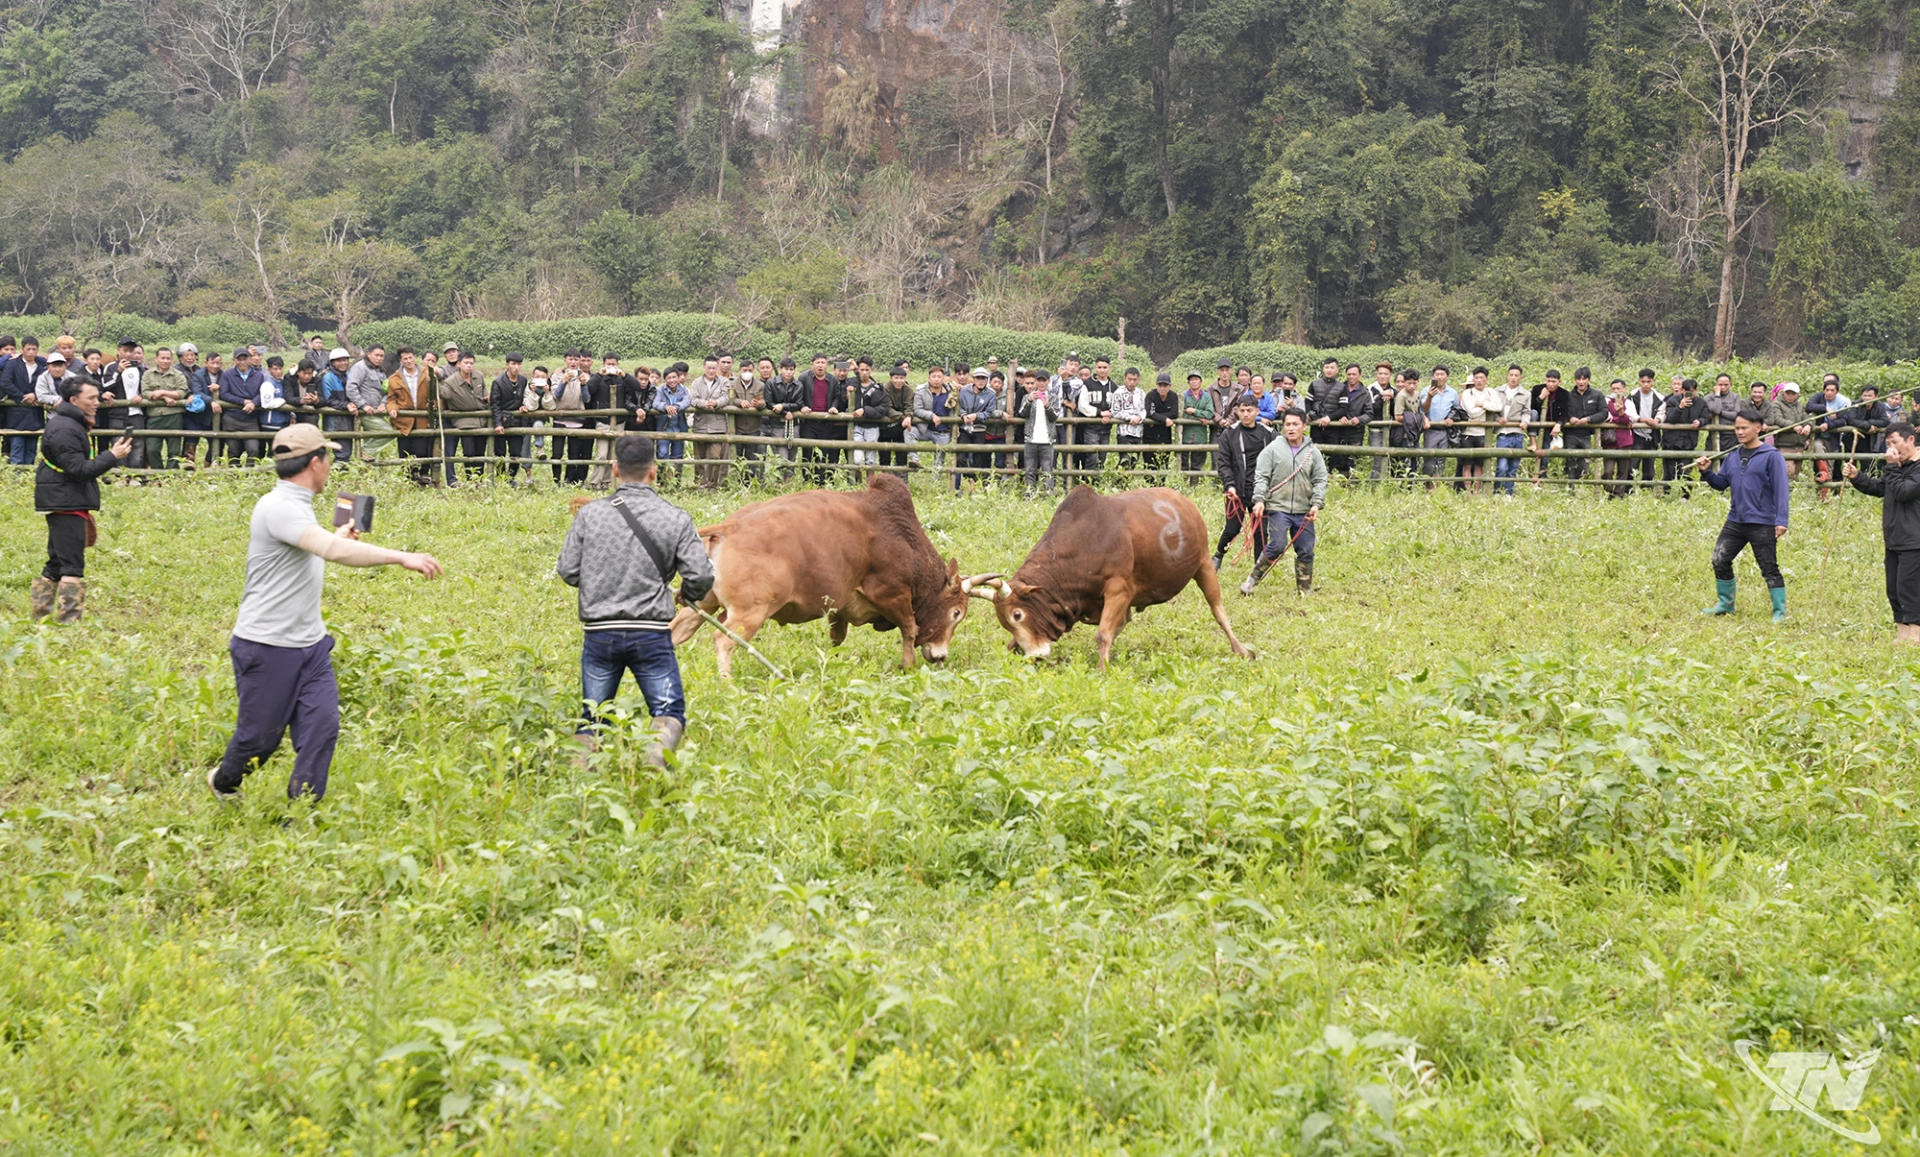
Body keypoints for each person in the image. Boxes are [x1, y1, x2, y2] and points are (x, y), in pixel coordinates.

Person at [209, 425, 443, 802]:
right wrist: (401, 556)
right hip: (267, 644)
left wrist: (336, 538)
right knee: (259, 740)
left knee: (322, 726)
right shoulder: (279, 507)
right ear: (316, 463)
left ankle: (302, 810)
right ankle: (224, 781)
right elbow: (332, 552)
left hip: (310, 644)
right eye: (329, 458)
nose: (331, 465)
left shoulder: (296, 506)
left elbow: (318, 546)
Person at [559, 434, 714, 767]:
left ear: (615, 470)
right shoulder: (676, 518)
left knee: (593, 716)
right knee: (668, 710)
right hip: (651, 633)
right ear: (654, 472)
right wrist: (688, 594)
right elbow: (700, 576)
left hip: (600, 632)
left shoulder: (590, 516)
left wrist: (600, 582)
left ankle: (578, 781)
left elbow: (568, 571)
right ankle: (654, 762)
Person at [29, 371, 133, 623]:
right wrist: (112, 456)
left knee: (56, 561)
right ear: (74, 400)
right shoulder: (65, 429)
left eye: (98, 397)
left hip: (62, 496)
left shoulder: (70, 423)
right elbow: (78, 470)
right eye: (91, 397)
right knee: (72, 564)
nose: (97, 402)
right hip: (65, 499)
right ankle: (69, 625)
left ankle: (39, 618)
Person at [1695, 407, 1790, 622]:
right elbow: (1721, 484)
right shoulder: (1733, 456)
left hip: (1762, 521)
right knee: (1719, 558)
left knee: (1768, 567)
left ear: (1758, 428)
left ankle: (1779, 611)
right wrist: (1707, 472)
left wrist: (1781, 520)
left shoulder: (1771, 456)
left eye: (1744, 428)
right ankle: (1725, 603)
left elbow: (1782, 490)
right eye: (1737, 428)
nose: (1739, 432)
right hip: (1736, 520)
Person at [1844, 422, 1920, 642]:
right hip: (1894, 537)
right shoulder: (1898, 467)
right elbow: (1881, 488)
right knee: (1894, 588)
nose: (1891, 449)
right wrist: (1857, 476)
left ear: (1910, 440)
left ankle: (1915, 633)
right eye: (1888, 444)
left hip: (1915, 539)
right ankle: (1902, 632)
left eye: (1894, 442)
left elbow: (1904, 492)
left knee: (1910, 588)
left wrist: (1892, 466)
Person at [1242, 409, 1329, 595]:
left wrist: (1316, 503)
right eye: (1287, 424)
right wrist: (1259, 500)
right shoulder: (1272, 449)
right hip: (1278, 508)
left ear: (1304, 426)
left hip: (1304, 509)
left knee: (1306, 550)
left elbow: (1321, 479)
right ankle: (1252, 580)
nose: (1291, 428)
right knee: (1277, 545)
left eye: (1295, 424)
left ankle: (1304, 589)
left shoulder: (1313, 452)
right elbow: (1261, 476)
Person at [1212, 395, 1275, 569]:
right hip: (1237, 490)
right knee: (1233, 528)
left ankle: (1258, 569)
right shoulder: (1229, 434)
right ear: (1237, 412)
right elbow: (1223, 463)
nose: (1246, 414)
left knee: (1261, 531)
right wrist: (1229, 485)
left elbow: (1279, 461)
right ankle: (1218, 555)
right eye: (1242, 411)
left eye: (1249, 410)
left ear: (1257, 411)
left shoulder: (1269, 434)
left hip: (1261, 492)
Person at [383, 347, 437, 485]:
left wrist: (435, 404)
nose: (408, 361)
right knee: (405, 449)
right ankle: (409, 476)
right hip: (404, 420)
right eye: (405, 359)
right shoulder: (394, 379)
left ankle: (424, 474)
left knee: (422, 448)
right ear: (401, 361)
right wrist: (393, 408)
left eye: (410, 357)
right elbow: (391, 399)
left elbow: (436, 393)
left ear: (415, 357)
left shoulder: (427, 374)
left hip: (422, 418)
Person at [439, 352, 489, 484]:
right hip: (464, 422)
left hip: (482, 420)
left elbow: (484, 390)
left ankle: (480, 479)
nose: (469, 366)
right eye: (466, 363)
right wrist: (434, 381)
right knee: (469, 453)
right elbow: (443, 393)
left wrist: (486, 397)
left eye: (471, 363)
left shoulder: (479, 376)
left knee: (480, 453)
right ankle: (471, 480)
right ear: (459, 364)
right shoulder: (450, 382)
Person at [1015, 366, 1063, 496]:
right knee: (1030, 470)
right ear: (1036, 382)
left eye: (1044, 380)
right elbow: (1021, 413)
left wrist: (1047, 405)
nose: (1041, 383)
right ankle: (1029, 494)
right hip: (1031, 439)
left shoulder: (1053, 398)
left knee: (1047, 470)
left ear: (1048, 382)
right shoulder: (1027, 397)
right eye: (1039, 380)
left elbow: (1055, 416)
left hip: (1047, 440)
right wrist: (1030, 401)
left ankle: (1048, 495)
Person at [796, 354, 843, 484]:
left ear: (826, 365)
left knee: (822, 452)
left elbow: (837, 397)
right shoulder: (804, 378)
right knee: (807, 450)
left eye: (823, 362)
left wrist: (833, 407)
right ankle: (807, 479)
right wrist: (802, 406)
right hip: (808, 421)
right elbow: (798, 394)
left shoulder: (832, 380)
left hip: (825, 422)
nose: (820, 365)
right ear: (813, 365)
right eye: (818, 362)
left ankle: (820, 481)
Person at [140, 346, 189, 469]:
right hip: (154, 416)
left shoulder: (178, 375)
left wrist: (161, 393)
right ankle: (158, 474)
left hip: (174, 416)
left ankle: (170, 475)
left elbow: (181, 393)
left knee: (174, 451)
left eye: (168, 358)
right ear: (156, 359)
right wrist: (166, 397)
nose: (165, 361)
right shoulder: (148, 374)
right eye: (163, 358)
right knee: (152, 449)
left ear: (172, 360)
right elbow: (146, 392)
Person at [1, 336, 45, 465]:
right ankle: (16, 478)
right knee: (17, 446)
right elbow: (5, 383)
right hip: (16, 413)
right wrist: (22, 396)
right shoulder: (13, 364)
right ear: (22, 349)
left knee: (31, 449)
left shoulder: (42, 365)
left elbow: (46, 383)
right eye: (28, 349)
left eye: (34, 349)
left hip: (35, 414)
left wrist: (35, 395)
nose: (31, 352)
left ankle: (29, 475)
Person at [912, 364, 957, 489]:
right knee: (909, 432)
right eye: (934, 376)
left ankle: (935, 483)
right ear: (928, 378)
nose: (936, 379)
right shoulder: (921, 392)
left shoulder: (951, 392)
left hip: (943, 431)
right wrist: (931, 416)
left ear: (943, 378)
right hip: (926, 429)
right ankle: (914, 459)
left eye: (939, 377)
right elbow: (917, 409)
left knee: (939, 459)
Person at [343, 345, 391, 462]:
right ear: (368, 354)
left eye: (381, 356)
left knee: (372, 438)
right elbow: (351, 388)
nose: (379, 358)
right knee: (388, 432)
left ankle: (366, 470)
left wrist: (383, 403)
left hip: (377, 411)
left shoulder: (381, 371)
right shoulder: (360, 367)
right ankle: (364, 452)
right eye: (376, 355)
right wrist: (363, 405)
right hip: (365, 412)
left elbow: (387, 390)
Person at [218, 347, 266, 462]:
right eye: (239, 359)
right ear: (234, 360)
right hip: (232, 418)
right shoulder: (227, 375)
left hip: (251, 419)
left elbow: (262, 393)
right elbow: (224, 394)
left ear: (249, 359)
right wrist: (243, 401)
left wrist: (254, 403)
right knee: (234, 450)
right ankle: (234, 474)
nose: (242, 362)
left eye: (245, 359)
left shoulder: (259, 376)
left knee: (253, 449)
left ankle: (250, 474)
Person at [1661, 378, 1708, 496]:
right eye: (1686, 391)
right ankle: (1667, 495)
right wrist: (1680, 407)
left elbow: (1706, 417)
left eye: (1691, 391)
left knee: (1687, 470)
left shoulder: (1701, 403)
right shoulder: (1672, 401)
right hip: (1671, 440)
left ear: (1696, 391)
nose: (1689, 394)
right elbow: (1670, 419)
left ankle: (1685, 496)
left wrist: (1700, 422)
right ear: (1682, 390)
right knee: (1669, 471)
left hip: (1689, 441)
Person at [488, 353, 532, 481]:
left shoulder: (523, 380)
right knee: (500, 452)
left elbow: (526, 397)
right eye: (513, 364)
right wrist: (498, 423)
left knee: (516, 453)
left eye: (518, 364)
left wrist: (524, 406)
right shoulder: (498, 382)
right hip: (502, 421)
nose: (516, 367)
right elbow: (495, 405)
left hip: (517, 422)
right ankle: (501, 477)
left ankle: (510, 478)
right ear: (507, 365)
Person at [1074, 356, 1117, 475]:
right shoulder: (1087, 385)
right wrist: (1099, 413)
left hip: (1106, 428)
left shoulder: (1113, 387)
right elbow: (1082, 405)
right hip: (1090, 428)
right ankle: (1089, 482)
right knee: (1092, 456)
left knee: (1102, 458)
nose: (1102, 370)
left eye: (1104, 367)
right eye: (1099, 367)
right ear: (1095, 368)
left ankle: (1097, 483)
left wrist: (1110, 414)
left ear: (1109, 368)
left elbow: (1117, 405)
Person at [1454, 366, 1493, 493]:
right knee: (1465, 464)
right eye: (1470, 384)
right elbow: (1471, 412)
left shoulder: (1488, 395)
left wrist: (1483, 404)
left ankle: (1476, 491)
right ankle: (1466, 491)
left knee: (1478, 464)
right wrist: (1486, 406)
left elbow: (1495, 408)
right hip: (1467, 432)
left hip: (1481, 433)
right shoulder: (1463, 397)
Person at [1563, 369, 1607, 482]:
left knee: (1585, 462)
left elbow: (1604, 413)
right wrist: (1570, 418)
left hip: (1587, 434)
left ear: (1589, 380)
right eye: (1578, 379)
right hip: (1570, 434)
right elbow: (1562, 412)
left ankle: (1581, 483)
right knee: (1570, 460)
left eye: (1584, 379)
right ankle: (1571, 487)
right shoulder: (1568, 396)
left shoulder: (1597, 395)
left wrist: (1589, 419)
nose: (1581, 382)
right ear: (1574, 380)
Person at [848, 357, 890, 472]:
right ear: (858, 370)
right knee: (856, 459)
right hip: (856, 426)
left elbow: (883, 408)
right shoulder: (852, 384)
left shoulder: (878, 389)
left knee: (870, 460)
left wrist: (865, 410)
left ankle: (869, 486)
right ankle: (857, 484)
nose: (864, 373)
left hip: (872, 427)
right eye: (862, 370)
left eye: (867, 370)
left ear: (871, 370)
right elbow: (841, 398)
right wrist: (847, 395)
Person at [1491, 365, 1529, 495]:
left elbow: (1526, 411)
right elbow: (1492, 410)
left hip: (1517, 434)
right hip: (1502, 433)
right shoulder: (1497, 391)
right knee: (1501, 466)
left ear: (1520, 377)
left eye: (1516, 375)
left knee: (1513, 468)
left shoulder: (1525, 394)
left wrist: (1525, 421)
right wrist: (1498, 419)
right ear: (1507, 375)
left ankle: (1508, 493)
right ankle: (1497, 491)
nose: (1513, 378)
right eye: (1511, 375)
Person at [1417, 366, 1456, 486]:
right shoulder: (1425, 391)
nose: (1439, 377)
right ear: (1433, 376)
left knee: (1441, 460)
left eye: (1442, 374)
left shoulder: (1452, 393)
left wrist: (1451, 417)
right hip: (1431, 430)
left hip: (1445, 431)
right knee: (1429, 459)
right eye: (1437, 374)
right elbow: (1422, 409)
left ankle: (1436, 486)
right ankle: (1427, 486)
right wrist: (1430, 396)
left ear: (1447, 377)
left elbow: (1456, 409)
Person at [1625, 370, 1663, 489]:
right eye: (1643, 381)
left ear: (1653, 381)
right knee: (1632, 464)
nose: (1646, 384)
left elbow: (1663, 412)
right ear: (1639, 381)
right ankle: (1629, 490)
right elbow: (1628, 412)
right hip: (1636, 435)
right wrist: (1642, 419)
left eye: (1648, 381)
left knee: (1649, 466)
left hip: (1652, 436)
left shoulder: (1660, 398)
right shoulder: (1632, 396)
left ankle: (1646, 490)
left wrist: (1657, 420)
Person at [1765, 382, 1810, 482]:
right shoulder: (1776, 404)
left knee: (1796, 473)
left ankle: (1793, 496)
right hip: (1785, 444)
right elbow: (1777, 419)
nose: (1790, 396)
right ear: (1783, 393)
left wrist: (1808, 425)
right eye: (1788, 393)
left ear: (1797, 395)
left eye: (1793, 394)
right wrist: (1793, 425)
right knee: (1787, 472)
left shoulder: (1800, 405)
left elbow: (1807, 417)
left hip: (1799, 444)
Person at [1602, 380, 1635, 499]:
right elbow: (1606, 417)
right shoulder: (1605, 401)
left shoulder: (1629, 403)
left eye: (1618, 389)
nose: (1616, 391)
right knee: (1608, 470)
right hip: (1609, 441)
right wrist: (1621, 417)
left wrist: (1620, 415)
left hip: (1625, 441)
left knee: (1623, 470)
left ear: (1624, 389)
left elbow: (1630, 420)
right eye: (1614, 389)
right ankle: (1608, 492)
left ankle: (1618, 495)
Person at [1179, 372, 1215, 482]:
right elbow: (1182, 413)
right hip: (1186, 434)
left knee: (1197, 463)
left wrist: (1194, 411)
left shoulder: (1207, 396)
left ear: (1201, 381)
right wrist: (1200, 417)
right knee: (1183, 462)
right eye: (1191, 379)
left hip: (1200, 435)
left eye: (1196, 379)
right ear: (1188, 382)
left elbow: (1209, 413)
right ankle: (1182, 485)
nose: (1194, 381)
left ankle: (1194, 487)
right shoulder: (1183, 396)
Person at [1144, 371, 1180, 480]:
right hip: (1150, 435)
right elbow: (1149, 412)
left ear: (1170, 386)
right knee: (1149, 463)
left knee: (1164, 463)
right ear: (1156, 385)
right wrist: (1165, 419)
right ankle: (1149, 489)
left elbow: (1174, 413)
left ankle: (1161, 488)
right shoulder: (1151, 395)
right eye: (1160, 385)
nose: (1162, 388)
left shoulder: (1173, 396)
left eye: (1165, 385)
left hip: (1165, 435)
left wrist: (1157, 417)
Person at [1706, 373, 1741, 453]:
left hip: (1731, 435)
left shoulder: (1735, 397)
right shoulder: (1709, 397)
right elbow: (1716, 410)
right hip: (1713, 434)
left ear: (1730, 384)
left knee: (1731, 461)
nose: (1723, 387)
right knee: (1712, 461)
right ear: (1716, 384)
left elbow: (1736, 415)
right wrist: (1717, 394)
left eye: (1726, 385)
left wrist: (1720, 413)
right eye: (1720, 385)